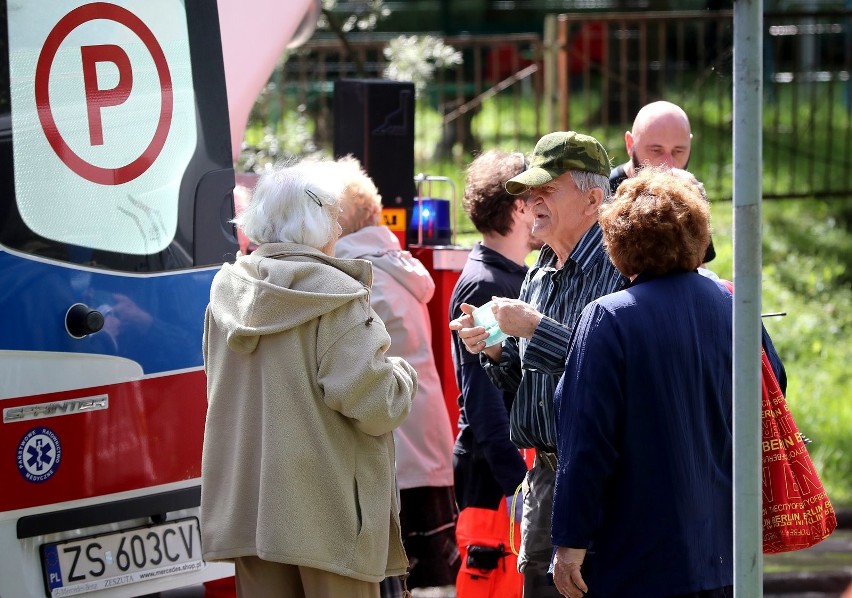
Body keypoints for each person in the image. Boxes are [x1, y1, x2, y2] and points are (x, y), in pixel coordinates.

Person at [550, 168, 783, 598]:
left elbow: (586, 444)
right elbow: (773, 393)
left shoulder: (608, 318)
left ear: (618, 241)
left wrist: (570, 544)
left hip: (637, 561)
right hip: (726, 553)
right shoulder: (734, 305)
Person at [200, 158, 417, 598]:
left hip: (251, 514)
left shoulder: (226, 291)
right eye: (334, 217)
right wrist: (404, 376)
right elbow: (378, 407)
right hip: (328, 519)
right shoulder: (335, 297)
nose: (339, 229)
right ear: (317, 223)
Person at [450, 132, 628, 598]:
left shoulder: (620, 268)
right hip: (545, 482)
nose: (532, 201)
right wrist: (494, 352)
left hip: (604, 485)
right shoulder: (540, 270)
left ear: (593, 199)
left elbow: (614, 375)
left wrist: (535, 328)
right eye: (529, 192)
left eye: (547, 188)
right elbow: (526, 380)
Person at [330, 156, 460, 594]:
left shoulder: (351, 276)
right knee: (430, 582)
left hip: (392, 454)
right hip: (424, 441)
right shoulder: (395, 266)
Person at [449, 149, 539, 598]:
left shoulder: (511, 274)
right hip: (495, 475)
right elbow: (482, 399)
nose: (543, 205)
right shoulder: (486, 283)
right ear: (518, 205)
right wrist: (518, 487)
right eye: (535, 195)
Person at [608, 100, 717, 265]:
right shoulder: (604, 193)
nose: (668, 164)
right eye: (656, 151)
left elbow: (700, 267)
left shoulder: (689, 190)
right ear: (630, 144)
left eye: (678, 151)